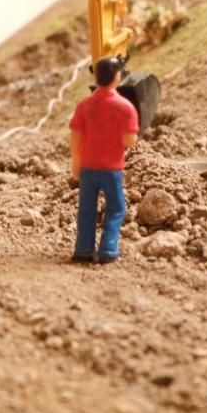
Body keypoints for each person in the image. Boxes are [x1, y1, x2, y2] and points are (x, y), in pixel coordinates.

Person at [69, 56, 139, 264]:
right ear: (117, 76)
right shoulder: (125, 107)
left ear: (96, 77)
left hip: (88, 166)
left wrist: (75, 161)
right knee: (116, 207)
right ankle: (107, 249)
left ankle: (83, 249)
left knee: (86, 208)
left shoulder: (84, 106)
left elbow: (75, 137)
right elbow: (129, 140)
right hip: (111, 168)